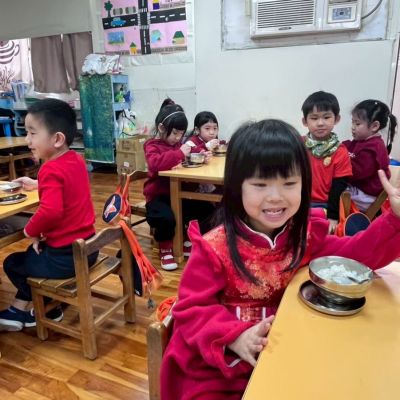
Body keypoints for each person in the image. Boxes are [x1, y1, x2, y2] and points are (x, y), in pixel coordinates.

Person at [160, 119, 400, 400]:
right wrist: (235, 336)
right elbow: (192, 309)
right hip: (220, 364)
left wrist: (394, 220)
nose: (275, 197)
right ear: (237, 187)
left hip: (283, 351)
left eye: (289, 183)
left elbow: (359, 255)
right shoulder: (214, 247)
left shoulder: (302, 236)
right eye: (260, 184)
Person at [0, 98, 97, 332]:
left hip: (65, 257)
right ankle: (26, 309)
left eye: (32, 133)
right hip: (88, 248)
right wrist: (37, 183)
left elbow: (50, 212)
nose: (27, 140)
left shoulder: (49, 169)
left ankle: (44, 307)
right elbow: (68, 186)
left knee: (14, 263)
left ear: (57, 139)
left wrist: (29, 230)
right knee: (31, 256)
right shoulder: (76, 160)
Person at [143, 100, 215, 271]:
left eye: (181, 134)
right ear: (161, 128)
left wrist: (201, 153)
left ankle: (188, 240)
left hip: (178, 192)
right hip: (158, 196)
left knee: (204, 208)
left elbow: (188, 152)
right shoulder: (152, 145)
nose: (177, 138)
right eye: (175, 133)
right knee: (166, 218)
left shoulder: (176, 145)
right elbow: (155, 163)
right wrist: (179, 153)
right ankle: (165, 248)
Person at [302, 91, 353, 233]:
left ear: (337, 119)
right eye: (314, 118)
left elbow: (338, 188)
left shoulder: (341, 152)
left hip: (325, 206)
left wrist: (333, 216)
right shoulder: (298, 144)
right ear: (305, 121)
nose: (320, 123)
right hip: (298, 202)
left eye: (326, 117)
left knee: (320, 236)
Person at [343, 99, 397, 211]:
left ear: (374, 126)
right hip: (359, 188)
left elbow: (354, 173)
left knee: (333, 191)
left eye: (357, 123)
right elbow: (349, 149)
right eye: (352, 122)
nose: (353, 127)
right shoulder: (361, 140)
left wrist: (338, 162)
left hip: (367, 196)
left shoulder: (373, 148)